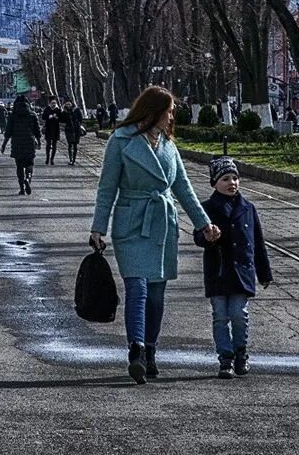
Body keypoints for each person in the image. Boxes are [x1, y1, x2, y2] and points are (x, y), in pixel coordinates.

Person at [89, 85, 219, 385]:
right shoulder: (120, 141)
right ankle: (135, 349)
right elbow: (107, 188)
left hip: (161, 223)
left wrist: (204, 224)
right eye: (169, 110)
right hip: (131, 223)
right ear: (154, 111)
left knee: (157, 296)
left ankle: (150, 351)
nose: (172, 116)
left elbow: (183, 189)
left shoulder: (169, 146)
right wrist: (98, 227)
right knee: (137, 288)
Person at [194, 157, 272, 378]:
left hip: (241, 273)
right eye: (226, 178)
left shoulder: (248, 208)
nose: (232, 183)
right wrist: (208, 237)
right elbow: (197, 236)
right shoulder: (206, 208)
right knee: (220, 316)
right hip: (218, 272)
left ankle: (241, 353)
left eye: (235, 178)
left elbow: (258, 243)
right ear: (214, 183)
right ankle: (225, 358)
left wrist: (264, 273)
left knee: (239, 314)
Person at [1, 95, 41, 195]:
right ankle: (28, 177)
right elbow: (37, 131)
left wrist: (4, 145)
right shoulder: (32, 114)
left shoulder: (13, 115)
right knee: (30, 163)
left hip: (17, 142)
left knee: (19, 166)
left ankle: (22, 188)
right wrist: (39, 142)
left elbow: (8, 132)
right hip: (29, 141)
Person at [62, 99, 85, 165]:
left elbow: (80, 119)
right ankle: (71, 159)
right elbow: (62, 120)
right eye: (66, 104)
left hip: (76, 129)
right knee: (69, 145)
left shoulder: (76, 110)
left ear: (71, 104)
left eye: (69, 104)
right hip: (68, 130)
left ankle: (74, 160)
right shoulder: (64, 112)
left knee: (75, 145)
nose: (68, 105)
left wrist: (78, 123)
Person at [43, 97, 62, 165]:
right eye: (52, 103)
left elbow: (61, 118)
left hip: (56, 129)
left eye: (55, 103)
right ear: (50, 103)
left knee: (54, 144)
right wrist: (49, 117)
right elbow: (43, 117)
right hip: (48, 128)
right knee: (48, 144)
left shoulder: (58, 109)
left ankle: (52, 159)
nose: (54, 104)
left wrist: (57, 117)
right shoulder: (47, 109)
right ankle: (47, 158)